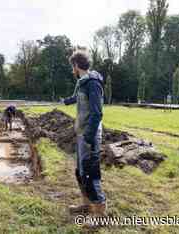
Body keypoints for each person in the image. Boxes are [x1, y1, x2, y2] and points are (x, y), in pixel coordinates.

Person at [63, 50, 106, 216]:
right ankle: (87, 205)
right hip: (82, 134)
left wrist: (88, 137)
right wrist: (66, 101)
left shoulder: (93, 84)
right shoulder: (83, 83)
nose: (71, 70)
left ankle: (100, 213)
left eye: (72, 66)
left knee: (90, 173)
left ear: (76, 65)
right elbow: (78, 98)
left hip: (90, 136)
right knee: (80, 172)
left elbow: (97, 113)